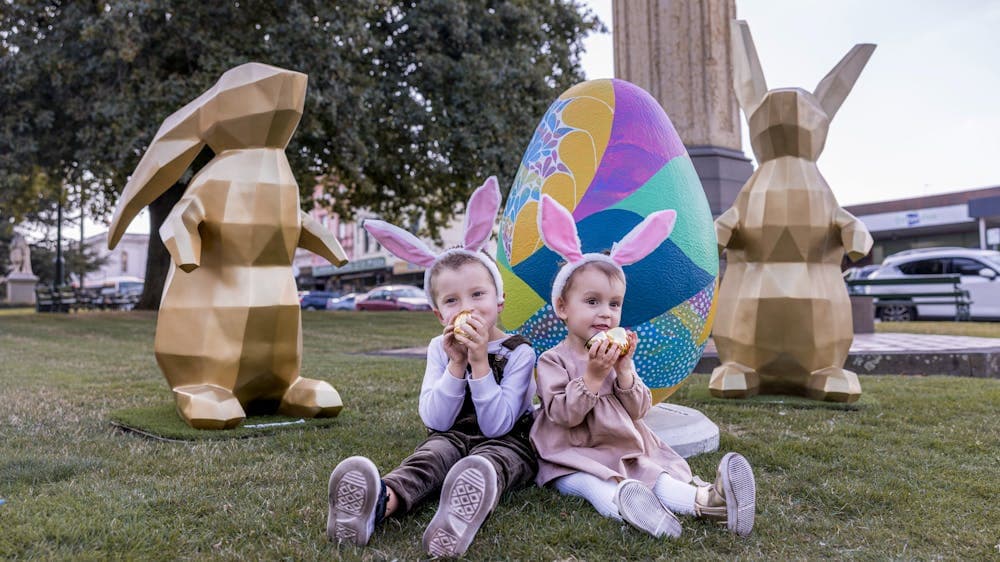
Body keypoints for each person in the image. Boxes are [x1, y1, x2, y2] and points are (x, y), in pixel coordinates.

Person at [325, 177, 537, 557]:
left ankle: (459, 510)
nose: (467, 307)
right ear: (439, 313)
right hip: (453, 435)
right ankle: (379, 503)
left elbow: (498, 425)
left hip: (509, 442)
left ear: (500, 300)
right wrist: (457, 363)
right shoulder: (440, 349)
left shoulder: (519, 352)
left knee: (492, 463)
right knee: (429, 457)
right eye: (453, 300)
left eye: (478, 295)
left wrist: (479, 363)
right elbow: (437, 419)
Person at [530, 194, 756, 538]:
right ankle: (625, 505)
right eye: (592, 302)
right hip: (571, 453)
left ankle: (708, 501)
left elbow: (639, 410)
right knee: (594, 482)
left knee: (653, 473)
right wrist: (592, 376)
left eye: (614, 303)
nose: (605, 312)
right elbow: (564, 416)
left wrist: (624, 371)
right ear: (562, 307)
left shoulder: (616, 355)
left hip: (621, 447)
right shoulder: (553, 360)